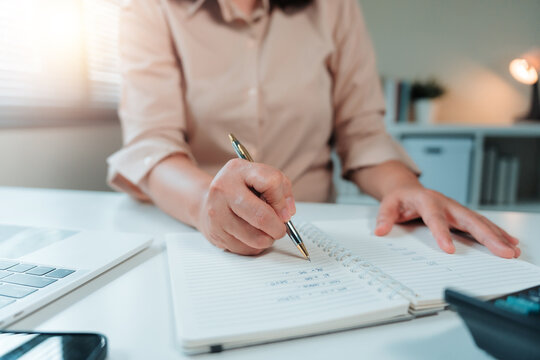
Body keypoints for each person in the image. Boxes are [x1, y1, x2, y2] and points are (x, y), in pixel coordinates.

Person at [107, 0, 520, 258]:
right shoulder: (147, 7)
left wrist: (402, 185)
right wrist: (204, 206)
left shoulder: (334, 7)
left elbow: (361, 130)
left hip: (315, 228)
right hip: (191, 232)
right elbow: (152, 146)